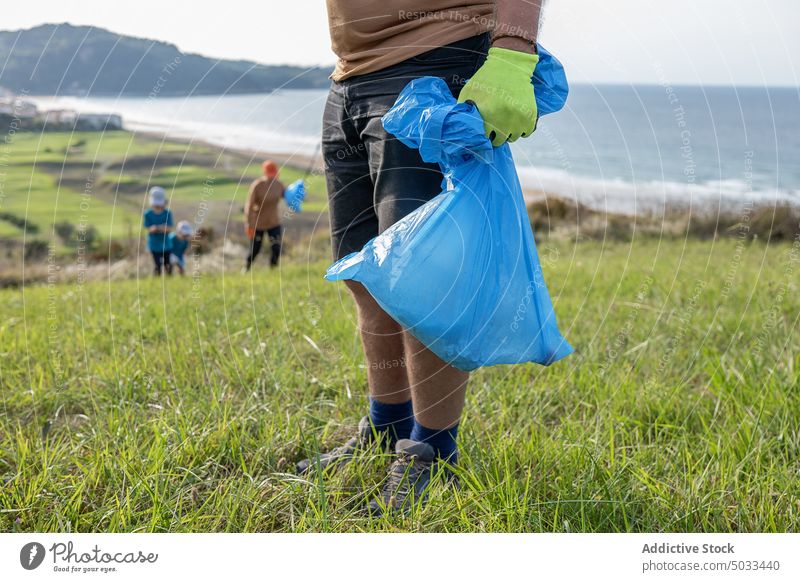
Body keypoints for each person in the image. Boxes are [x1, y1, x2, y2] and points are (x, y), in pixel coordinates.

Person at [297, 1, 544, 514]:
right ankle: (387, 425)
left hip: (433, 66)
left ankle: (432, 450)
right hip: (349, 79)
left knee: (425, 278)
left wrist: (515, 50)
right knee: (364, 272)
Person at [243, 160, 284, 271]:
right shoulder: (257, 185)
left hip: (274, 223)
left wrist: (299, 191)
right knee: (255, 250)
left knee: (276, 248)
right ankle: (246, 268)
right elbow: (249, 205)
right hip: (258, 224)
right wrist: (249, 224)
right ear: (265, 172)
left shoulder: (279, 185)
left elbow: (289, 196)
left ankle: (273, 270)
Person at [143, 186, 174, 276]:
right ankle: (157, 279)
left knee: (168, 264)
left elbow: (169, 228)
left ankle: (169, 279)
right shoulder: (147, 214)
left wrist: (156, 228)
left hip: (166, 244)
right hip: (154, 245)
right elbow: (149, 229)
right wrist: (161, 228)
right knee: (157, 265)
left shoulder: (167, 213)